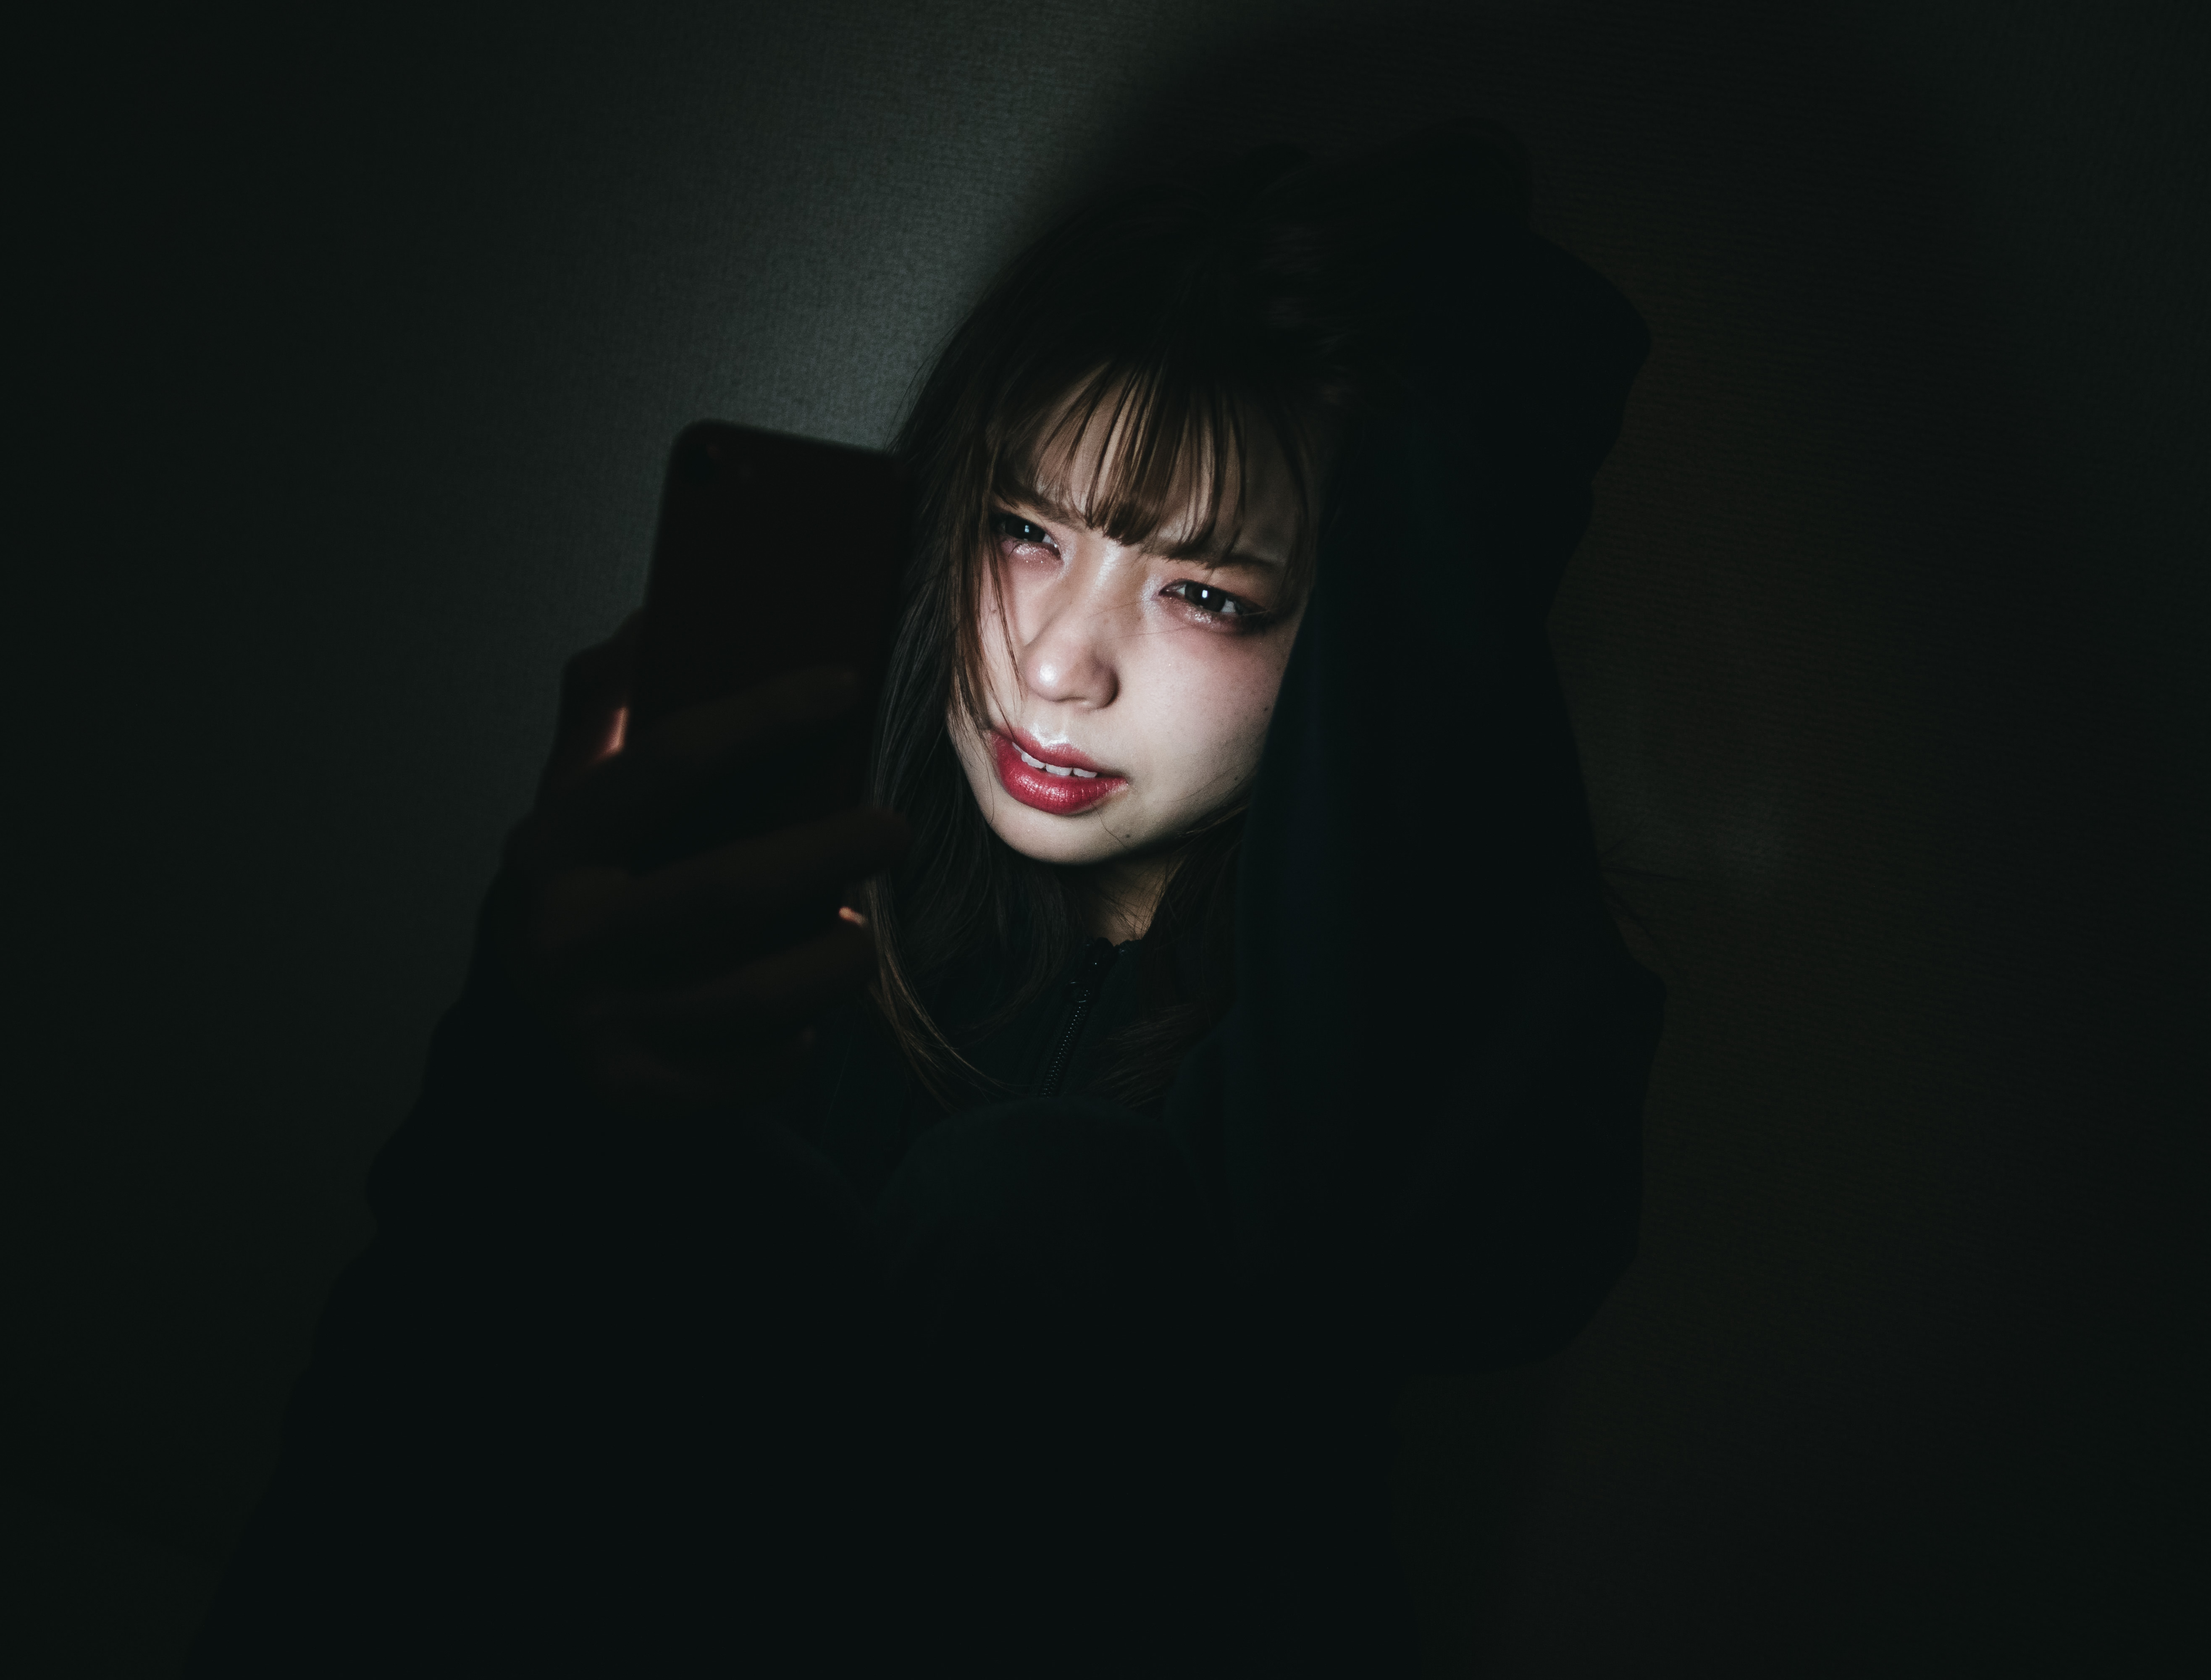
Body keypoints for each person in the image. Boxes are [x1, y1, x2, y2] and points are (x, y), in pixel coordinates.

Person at [191, 122, 1661, 1674]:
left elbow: (1430, 1256)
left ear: (1351, 631)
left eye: (1204, 594)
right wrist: (529, 1046)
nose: (1060, 666)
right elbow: (421, 1396)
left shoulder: (1395, 1018)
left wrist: (1452, 457)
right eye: (1025, 531)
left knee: (1036, 1196)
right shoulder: (803, 890)